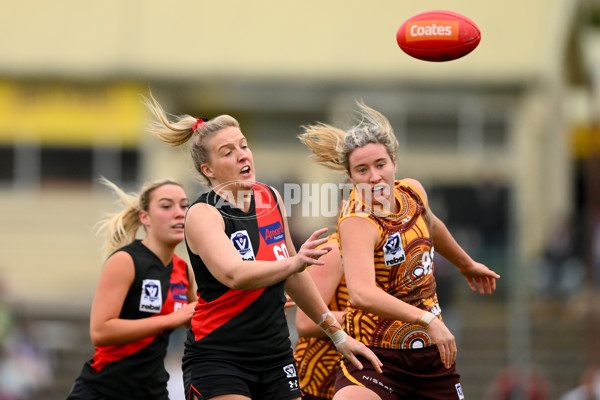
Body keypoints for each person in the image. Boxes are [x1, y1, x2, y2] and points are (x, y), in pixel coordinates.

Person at [143, 94, 382, 400]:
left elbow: (293, 274)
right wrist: (293, 264)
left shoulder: (270, 198)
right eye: (227, 152)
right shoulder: (203, 214)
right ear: (208, 170)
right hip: (219, 358)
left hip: (275, 356)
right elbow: (234, 274)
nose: (242, 155)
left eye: (244, 145)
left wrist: (338, 335)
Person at [299, 101, 501, 400]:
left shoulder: (412, 192)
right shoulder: (357, 220)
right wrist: (427, 319)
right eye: (362, 170)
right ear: (350, 176)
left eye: (380, 165)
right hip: (376, 357)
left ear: (394, 162)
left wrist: (465, 263)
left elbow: (433, 225)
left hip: (430, 356)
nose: (374, 177)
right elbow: (361, 294)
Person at [67, 177, 198, 400]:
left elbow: (199, 320)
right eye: (167, 206)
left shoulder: (183, 271)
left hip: (152, 391)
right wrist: (170, 319)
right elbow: (100, 331)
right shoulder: (125, 261)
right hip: (103, 390)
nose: (179, 213)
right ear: (144, 217)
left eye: (184, 205)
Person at [294, 232, 346, 400]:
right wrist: (385, 317)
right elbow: (306, 322)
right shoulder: (336, 249)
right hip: (320, 380)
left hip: (370, 374)